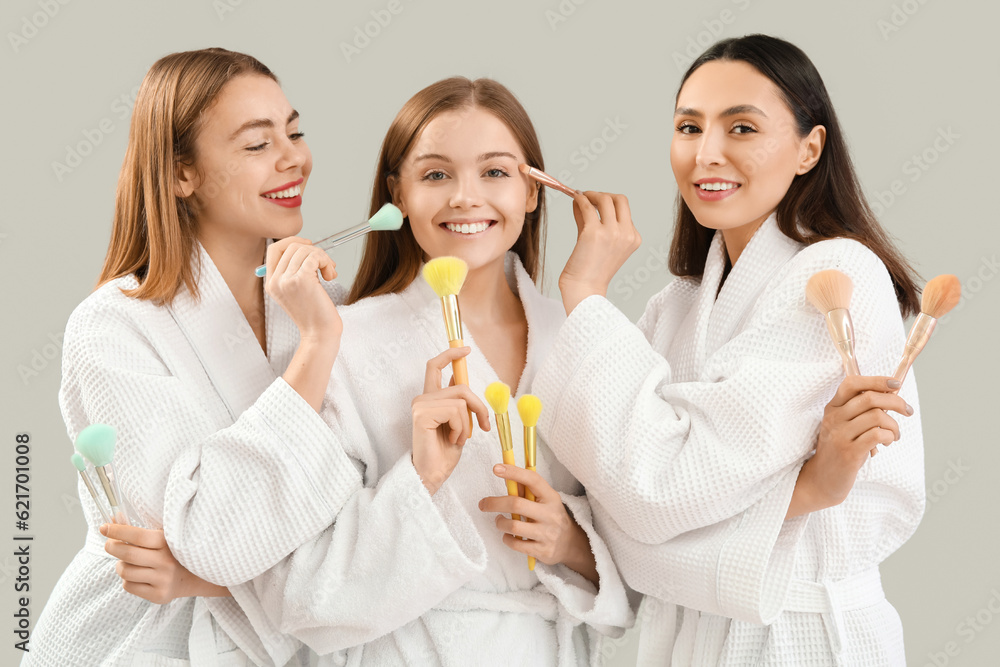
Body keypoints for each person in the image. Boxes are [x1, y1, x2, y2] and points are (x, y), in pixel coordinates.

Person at [108, 76, 636, 666]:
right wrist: (422, 480)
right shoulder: (347, 342)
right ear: (398, 195)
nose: (465, 197)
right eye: (436, 175)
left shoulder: (586, 339)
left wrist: (571, 541)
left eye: (495, 172)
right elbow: (303, 593)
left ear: (535, 191)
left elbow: (648, 542)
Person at [531, 35, 924, 665]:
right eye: (689, 127)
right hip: (686, 639)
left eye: (742, 127)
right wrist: (800, 492)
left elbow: (656, 491)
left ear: (809, 149)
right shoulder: (676, 306)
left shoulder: (838, 275)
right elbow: (622, 502)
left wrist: (584, 291)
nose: (705, 154)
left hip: (800, 637)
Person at [26, 48, 360, 666]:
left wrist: (201, 574)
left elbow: (361, 534)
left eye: (295, 131)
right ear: (183, 174)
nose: (294, 157)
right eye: (258, 144)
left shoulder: (326, 306)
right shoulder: (113, 327)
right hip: (141, 643)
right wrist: (316, 348)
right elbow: (213, 536)